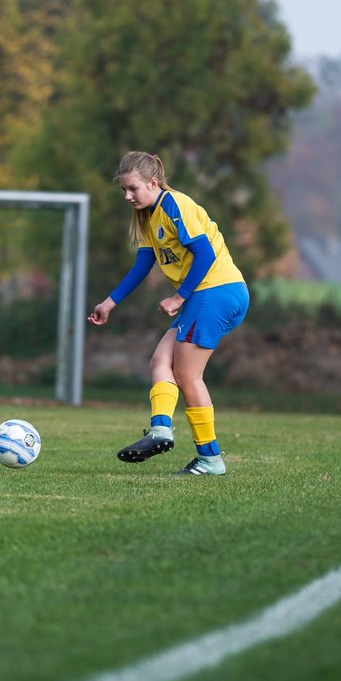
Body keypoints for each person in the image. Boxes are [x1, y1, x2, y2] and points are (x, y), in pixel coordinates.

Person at [88, 151, 250, 476]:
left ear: (153, 182)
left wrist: (179, 297)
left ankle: (210, 459)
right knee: (160, 361)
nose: (127, 196)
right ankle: (161, 429)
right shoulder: (149, 217)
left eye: (132, 188)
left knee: (189, 376)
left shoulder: (175, 204)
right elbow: (142, 265)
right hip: (206, 296)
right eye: (123, 190)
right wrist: (110, 302)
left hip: (215, 291)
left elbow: (204, 253)